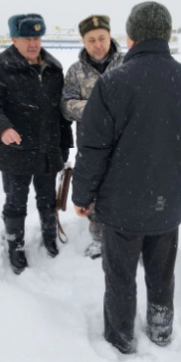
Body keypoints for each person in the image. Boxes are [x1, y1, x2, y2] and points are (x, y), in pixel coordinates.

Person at [72, 2, 181, 354]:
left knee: (120, 277)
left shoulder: (113, 83)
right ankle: (161, 330)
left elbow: (92, 149)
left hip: (121, 207)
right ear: (165, 35)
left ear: (130, 38)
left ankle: (120, 339)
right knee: (162, 274)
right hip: (169, 203)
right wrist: (173, 165)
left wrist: (82, 196)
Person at [0, 14, 73, 274]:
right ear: (14, 39)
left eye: (37, 38)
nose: (33, 44)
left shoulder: (54, 69)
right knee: (16, 201)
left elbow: (62, 114)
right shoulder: (1, 69)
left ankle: (49, 236)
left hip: (48, 151)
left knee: (47, 199)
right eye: (27, 38)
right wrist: (3, 127)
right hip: (16, 152)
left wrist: (65, 146)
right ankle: (15, 246)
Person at [61, 14, 125, 259]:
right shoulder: (76, 71)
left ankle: (129, 239)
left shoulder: (128, 63)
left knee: (128, 192)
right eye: (91, 40)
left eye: (102, 38)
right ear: (83, 42)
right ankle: (98, 237)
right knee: (94, 191)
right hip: (91, 145)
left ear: (110, 37)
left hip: (127, 144)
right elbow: (66, 105)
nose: (98, 44)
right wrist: (95, 109)